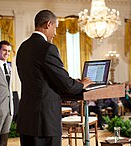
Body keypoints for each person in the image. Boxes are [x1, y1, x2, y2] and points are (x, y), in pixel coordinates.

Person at [16, 10, 93, 146]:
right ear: (48, 24)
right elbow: (66, 84)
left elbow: (40, 79)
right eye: (55, 28)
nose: (55, 33)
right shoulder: (47, 48)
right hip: (45, 122)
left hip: (27, 120)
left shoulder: (23, 47)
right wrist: (82, 84)